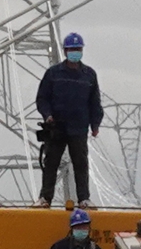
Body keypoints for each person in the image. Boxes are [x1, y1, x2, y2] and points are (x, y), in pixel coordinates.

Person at [34, 31, 102, 207]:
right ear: (65, 51)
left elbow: (95, 102)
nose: (74, 52)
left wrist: (95, 125)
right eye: (71, 49)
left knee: (81, 163)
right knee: (51, 163)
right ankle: (45, 198)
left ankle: (84, 199)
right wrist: (47, 115)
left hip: (79, 127)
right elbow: (42, 98)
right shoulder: (53, 74)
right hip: (57, 127)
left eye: (77, 49)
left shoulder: (89, 75)